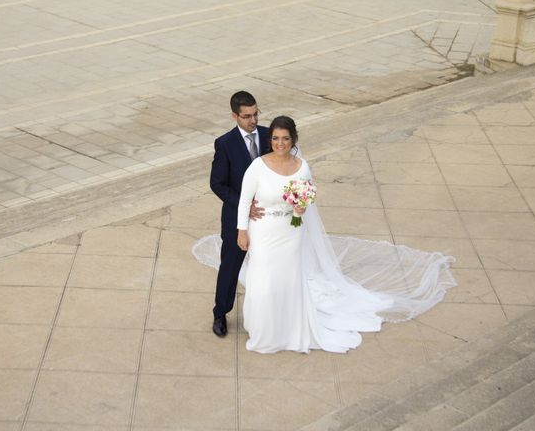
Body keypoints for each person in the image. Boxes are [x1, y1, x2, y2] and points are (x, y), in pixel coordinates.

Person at [195, 115, 456, 353]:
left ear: (293, 140)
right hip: (262, 232)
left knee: (288, 279)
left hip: (290, 233)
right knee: (263, 279)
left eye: (285, 138)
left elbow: (305, 200)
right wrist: (242, 231)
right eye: (275, 138)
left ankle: (289, 329)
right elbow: (243, 201)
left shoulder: (302, 167)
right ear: (270, 140)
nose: (279, 143)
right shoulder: (258, 166)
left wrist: (300, 207)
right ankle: (263, 329)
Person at [209, 91, 269, 338]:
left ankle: (268, 312)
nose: (253, 120)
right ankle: (220, 313)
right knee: (230, 267)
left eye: (255, 114)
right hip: (236, 219)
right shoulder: (225, 144)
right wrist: (245, 207)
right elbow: (217, 183)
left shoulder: (269, 136)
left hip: (268, 217)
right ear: (235, 115)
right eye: (246, 116)